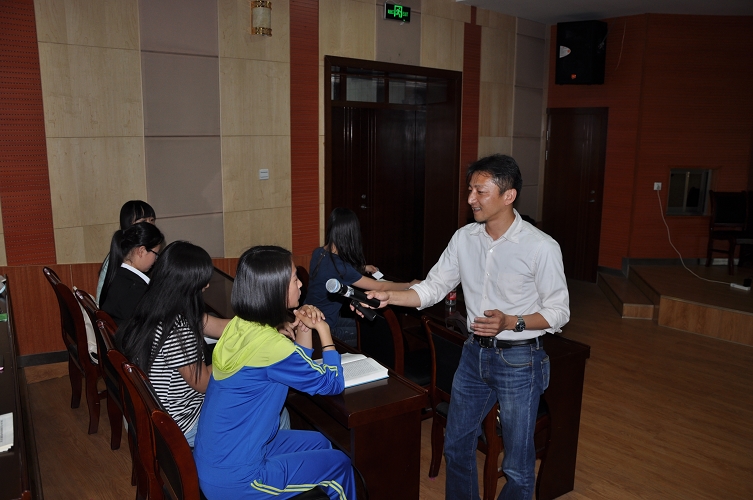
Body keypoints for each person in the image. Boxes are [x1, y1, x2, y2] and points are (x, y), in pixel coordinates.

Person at [367, 154, 570, 499]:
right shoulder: (464, 238)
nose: (471, 199)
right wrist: (389, 297)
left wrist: (512, 321)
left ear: (508, 196)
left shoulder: (541, 247)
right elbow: (432, 288)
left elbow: (559, 312)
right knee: (457, 445)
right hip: (474, 354)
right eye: (470, 190)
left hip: (520, 361)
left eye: (480, 191)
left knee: (517, 466)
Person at [193, 246, 356, 500]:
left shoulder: (239, 325)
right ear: (276, 289)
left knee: (320, 444)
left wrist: (304, 326)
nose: (301, 284)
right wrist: (324, 331)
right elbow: (332, 383)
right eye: (294, 278)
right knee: (339, 465)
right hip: (239, 477)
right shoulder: (272, 346)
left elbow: (298, 365)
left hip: (218, 458)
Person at [117, 241, 218, 447]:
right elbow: (204, 383)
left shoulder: (155, 307)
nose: (207, 285)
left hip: (149, 415)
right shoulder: (178, 329)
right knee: (272, 414)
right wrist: (236, 351)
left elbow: (219, 326)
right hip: (177, 425)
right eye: (203, 280)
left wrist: (263, 327)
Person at [305, 207, 416, 346]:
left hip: (312, 319)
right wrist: (409, 285)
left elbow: (331, 270)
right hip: (326, 329)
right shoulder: (341, 268)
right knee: (381, 337)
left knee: (371, 327)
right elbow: (381, 286)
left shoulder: (318, 253)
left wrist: (363, 268)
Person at [100, 222, 164, 327]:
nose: (156, 259)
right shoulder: (136, 289)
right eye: (156, 254)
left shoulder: (118, 277)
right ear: (141, 251)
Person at [96, 200, 156, 302]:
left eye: (152, 220)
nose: (150, 225)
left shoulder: (149, 252)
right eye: (143, 221)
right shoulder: (120, 255)